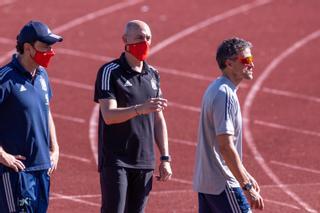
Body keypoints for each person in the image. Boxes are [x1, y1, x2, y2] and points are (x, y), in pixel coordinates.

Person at [94, 20, 172, 213]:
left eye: (148, 38)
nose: (144, 42)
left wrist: (165, 157)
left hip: (145, 161)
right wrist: (140, 109)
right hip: (116, 161)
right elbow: (109, 115)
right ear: (125, 40)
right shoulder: (110, 72)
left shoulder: (153, 74)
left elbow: (158, 119)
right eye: (139, 38)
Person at [193, 37, 264, 212]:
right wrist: (246, 185)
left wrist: (245, 174)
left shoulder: (217, 88)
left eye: (252, 60)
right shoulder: (225, 94)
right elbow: (225, 146)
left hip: (208, 183)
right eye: (246, 60)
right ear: (229, 63)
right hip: (222, 183)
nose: (252, 64)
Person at [0, 20, 62, 212]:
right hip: (17, 172)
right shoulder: (5, 79)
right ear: (28, 48)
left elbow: (46, 110)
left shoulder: (42, 75)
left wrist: (55, 148)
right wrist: (2, 155)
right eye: (45, 46)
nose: (50, 52)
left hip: (42, 168)